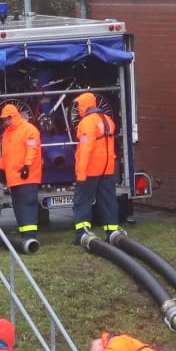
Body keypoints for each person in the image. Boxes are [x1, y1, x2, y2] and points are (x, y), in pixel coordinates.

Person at [70, 91, 120, 244]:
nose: (78, 108)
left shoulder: (87, 123)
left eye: (79, 105)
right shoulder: (108, 120)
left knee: (82, 201)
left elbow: (86, 149)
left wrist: (81, 173)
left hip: (90, 170)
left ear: (86, 105)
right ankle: (112, 232)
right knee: (108, 200)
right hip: (107, 169)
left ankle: (82, 234)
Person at [0, 102, 41, 245]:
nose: (5, 122)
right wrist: (1, 169)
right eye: (3, 119)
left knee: (27, 205)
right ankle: (25, 235)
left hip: (27, 177)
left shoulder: (29, 130)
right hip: (14, 178)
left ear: (13, 116)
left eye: (6, 119)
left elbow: (32, 150)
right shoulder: (7, 134)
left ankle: (30, 236)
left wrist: (27, 166)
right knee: (19, 206)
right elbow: (5, 155)